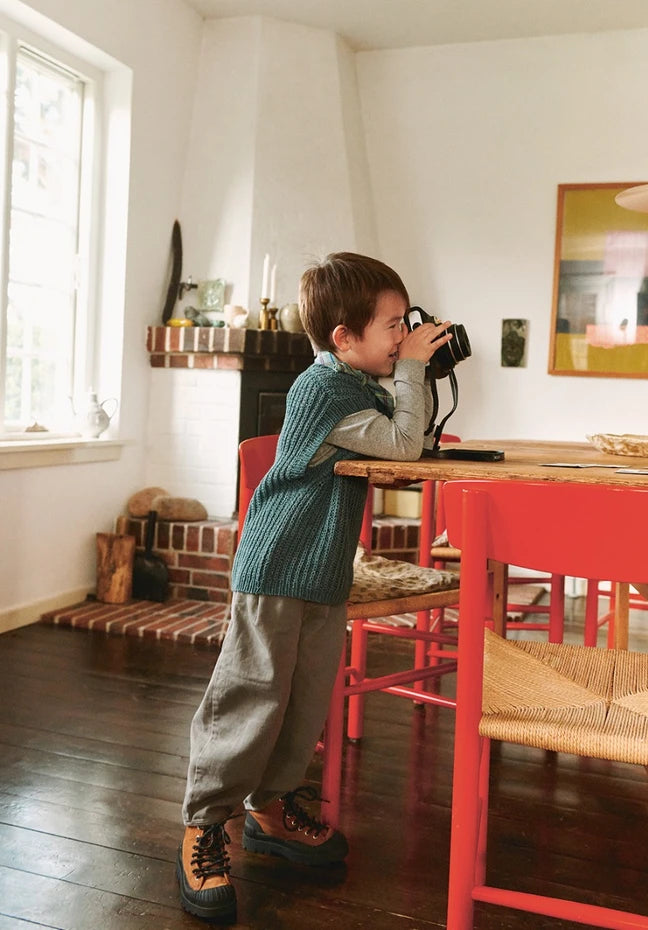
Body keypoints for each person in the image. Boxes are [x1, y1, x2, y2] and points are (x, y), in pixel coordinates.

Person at [177, 251, 453, 923]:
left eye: (406, 322)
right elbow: (405, 444)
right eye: (394, 325)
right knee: (250, 697)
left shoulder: (360, 383)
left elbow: (410, 435)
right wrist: (413, 370)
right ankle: (203, 825)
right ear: (343, 338)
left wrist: (416, 369)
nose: (405, 335)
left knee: (304, 703)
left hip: (324, 571)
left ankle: (269, 808)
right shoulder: (321, 390)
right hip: (278, 565)